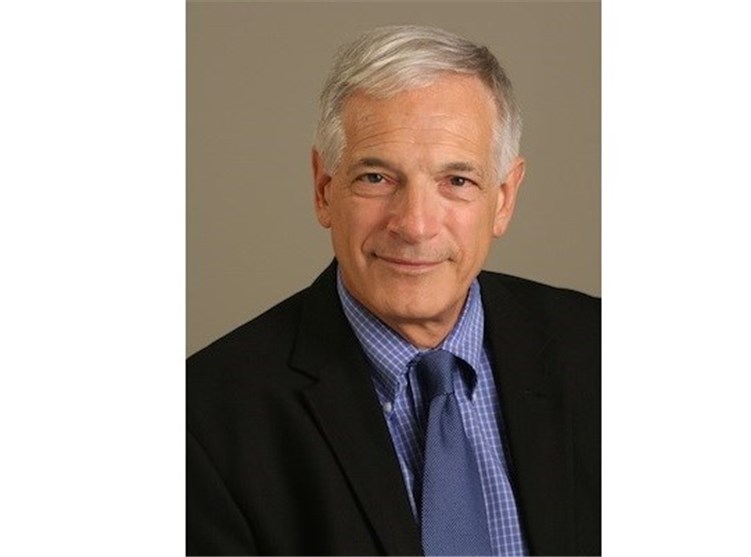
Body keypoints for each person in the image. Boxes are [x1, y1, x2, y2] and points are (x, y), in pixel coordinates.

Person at [187, 25, 600, 556]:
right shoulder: (205, 420)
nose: (415, 225)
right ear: (324, 189)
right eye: (377, 178)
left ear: (503, 199)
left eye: (457, 181)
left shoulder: (598, 350)